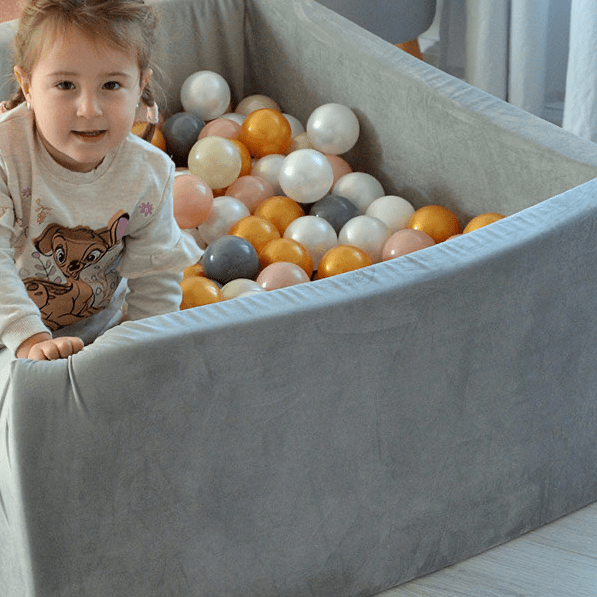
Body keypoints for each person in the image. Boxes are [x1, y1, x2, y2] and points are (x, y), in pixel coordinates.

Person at [0, 0, 202, 361]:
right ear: (27, 85)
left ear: (140, 85)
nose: (89, 109)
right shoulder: (7, 155)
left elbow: (155, 279)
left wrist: (145, 348)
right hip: (10, 333)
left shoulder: (148, 174)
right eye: (65, 84)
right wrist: (29, 339)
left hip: (101, 336)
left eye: (111, 84)